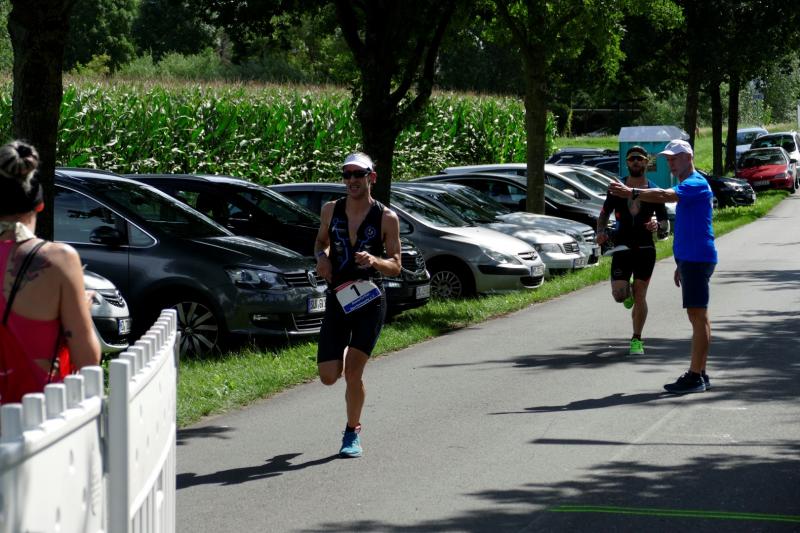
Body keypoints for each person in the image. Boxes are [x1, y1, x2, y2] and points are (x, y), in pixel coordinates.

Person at [608, 139, 717, 394]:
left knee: (698, 317)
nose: (671, 164)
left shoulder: (695, 183)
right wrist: (680, 264)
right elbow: (689, 226)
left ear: (688, 157)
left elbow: (666, 196)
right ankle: (700, 373)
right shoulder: (688, 183)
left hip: (697, 259)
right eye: (668, 160)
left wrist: (632, 192)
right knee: (698, 316)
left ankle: (695, 375)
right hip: (691, 259)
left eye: (674, 158)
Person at [314, 152, 402, 457]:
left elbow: (396, 266)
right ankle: (342, 353)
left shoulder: (386, 218)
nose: (351, 180)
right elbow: (320, 242)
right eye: (347, 174)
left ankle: (352, 432)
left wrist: (375, 260)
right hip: (338, 298)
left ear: (371, 178)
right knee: (328, 377)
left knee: (353, 373)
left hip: (369, 300)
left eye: (358, 174)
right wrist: (322, 258)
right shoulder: (330, 210)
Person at [0, 140, 100, 403]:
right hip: (39, 415)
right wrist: (80, 310)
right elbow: (88, 361)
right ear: (40, 204)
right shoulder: (59, 260)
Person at [596, 146, 668, 356]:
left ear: (646, 162)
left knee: (640, 294)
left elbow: (665, 222)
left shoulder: (654, 191)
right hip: (622, 247)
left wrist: (657, 225)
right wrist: (600, 231)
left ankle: (637, 339)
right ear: (627, 163)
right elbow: (604, 213)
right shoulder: (617, 188)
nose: (636, 161)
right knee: (620, 296)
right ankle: (626, 291)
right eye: (632, 159)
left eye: (640, 159)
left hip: (645, 248)